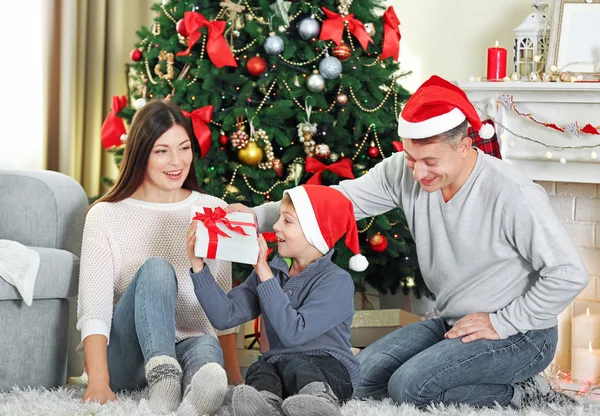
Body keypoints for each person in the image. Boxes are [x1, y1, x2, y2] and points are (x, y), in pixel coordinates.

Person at [228, 75, 589, 409]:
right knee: (358, 378)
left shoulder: (512, 195)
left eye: (430, 161)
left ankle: (525, 392)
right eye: (411, 158)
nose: (418, 173)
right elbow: (333, 203)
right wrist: (256, 217)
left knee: (411, 387)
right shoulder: (405, 171)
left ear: (464, 146)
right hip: (452, 321)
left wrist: (503, 321)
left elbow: (569, 274)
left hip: (522, 333)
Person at [77, 100, 242, 416]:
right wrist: (97, 382)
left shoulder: (213, 210)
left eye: (184, 148)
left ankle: (195, 398)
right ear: (141, 154)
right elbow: (94, 309)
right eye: (162, 151)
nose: (177, 161)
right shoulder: (105, 215)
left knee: (206, 349)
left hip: (189, 345)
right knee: (156, 270)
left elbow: (222, 310)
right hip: (129, 356)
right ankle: (164, 380)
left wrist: (234, 377)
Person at [187, 185, 368, 416]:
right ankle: (265, 407)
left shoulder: (337, 281)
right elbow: (225, 316)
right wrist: (198, 266)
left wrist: (263, 271)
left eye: (287, 221)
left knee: (297, 364)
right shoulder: (273, 270)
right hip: (281, 363)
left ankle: (319, 404)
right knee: (259, 370)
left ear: (315, 232)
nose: (275, 226)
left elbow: (293, 334)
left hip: (330, 371)